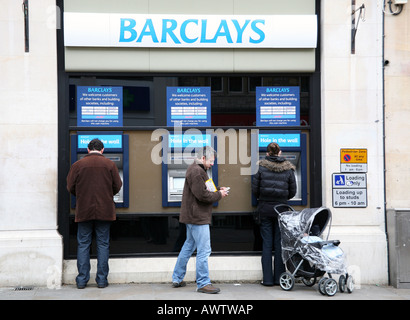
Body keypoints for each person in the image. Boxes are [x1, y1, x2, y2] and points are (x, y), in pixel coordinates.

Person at [172, 146, 229, 294]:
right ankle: (203, 283)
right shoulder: (197, 172)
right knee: (204, 250)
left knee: (188, 246)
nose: (212, 164)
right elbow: (202, 195)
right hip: (198, 217)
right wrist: (219, 195)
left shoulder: (197, 170)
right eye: (211, 161)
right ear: (203, 158)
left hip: (192, 216)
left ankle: (177, 278)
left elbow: (205, 190)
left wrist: (217, 190)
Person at [66, 138, 122, 289]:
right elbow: (118, 185)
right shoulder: (110, 164)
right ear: (102, 150)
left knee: (83, 244)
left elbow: (70, 186)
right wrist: (107, 194)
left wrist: (81, 195)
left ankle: (82, 280)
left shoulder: (78, 165)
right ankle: (102, 280)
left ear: (88, 150)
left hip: (84, 210)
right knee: (103, 244)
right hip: (105, 210)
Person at [251, 142, 297, 286]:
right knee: (279, 244)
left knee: (266, 244)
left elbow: (255, 190)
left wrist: (264, 197)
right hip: (281, 211)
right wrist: (282, 198)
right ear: (280, 152)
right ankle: (279, 278)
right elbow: (293, 192)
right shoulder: (289, 169)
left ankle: (268, 279)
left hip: (265, 208)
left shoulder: (261, 168)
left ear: (268, 153)